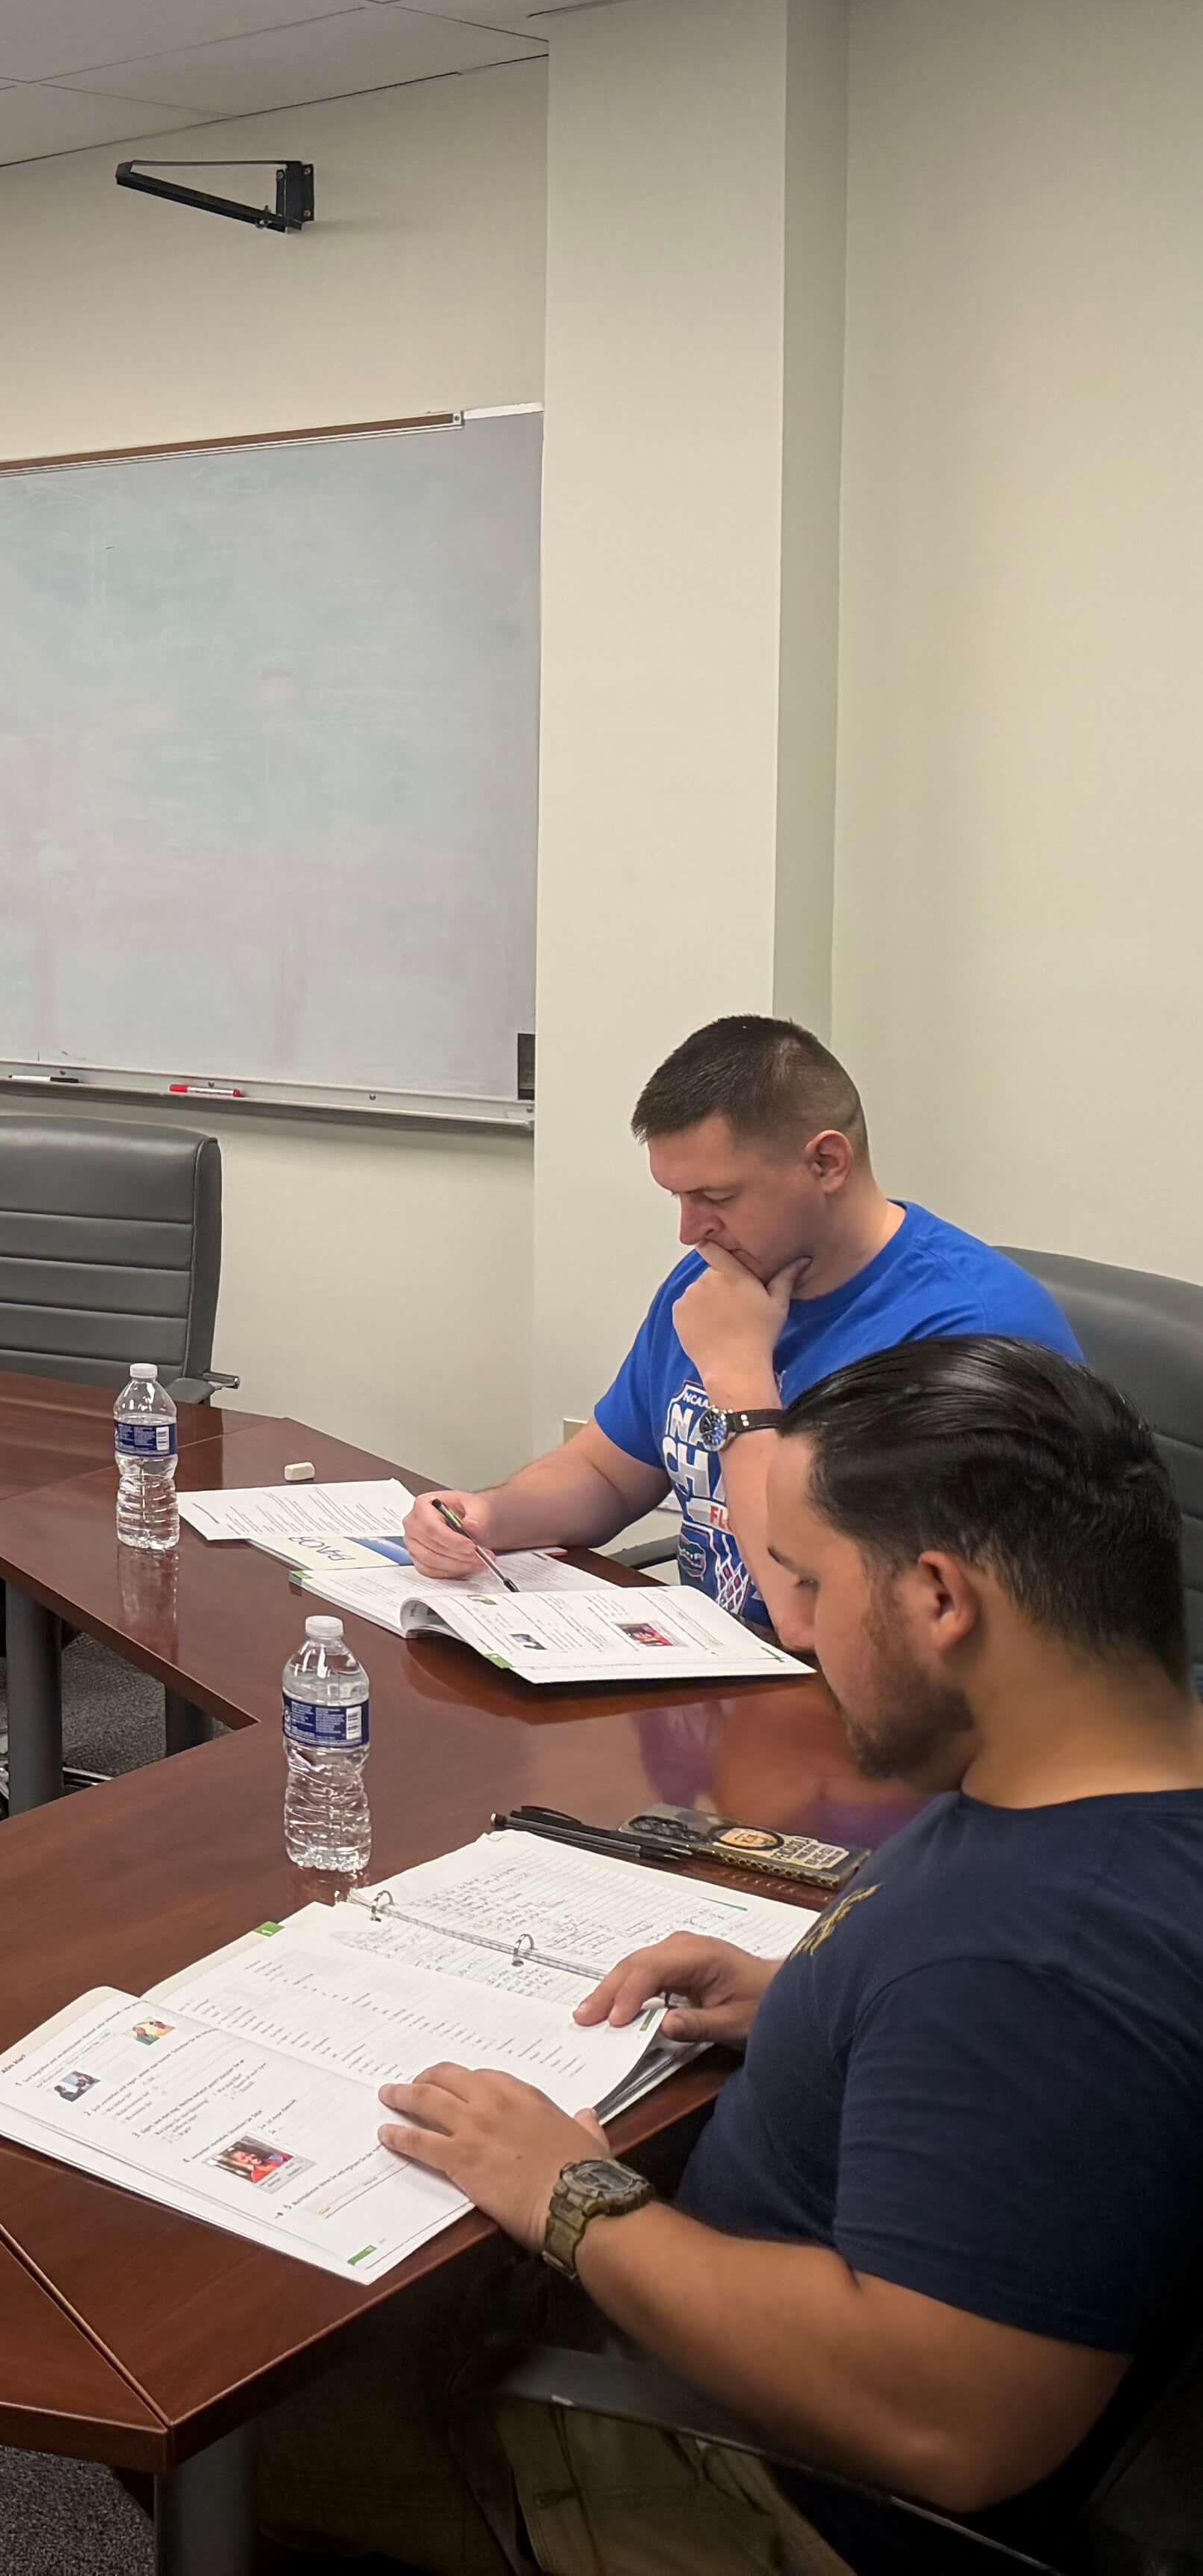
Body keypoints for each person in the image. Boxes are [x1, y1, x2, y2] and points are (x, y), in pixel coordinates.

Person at [266, 1337, 1203, 2575]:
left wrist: (576, 2197)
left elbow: (942, 2421)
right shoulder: (1095, 1779)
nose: (789, 1620)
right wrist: (814, 1998)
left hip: (762, 2487)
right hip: (744, 2315)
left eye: (811, 1580)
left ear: (937, 1597)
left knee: (228, 2413)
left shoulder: (1035, 1963)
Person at [404, 1016, 1070, 1633]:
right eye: (679, 1198)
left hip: (871, 1725)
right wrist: (493, 1516)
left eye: (716, 1198)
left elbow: (812, 1618)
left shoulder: (969, 1334)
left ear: (827, 1163)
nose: (691, 1232)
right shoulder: (722, 1281)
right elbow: (608, 1472)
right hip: (715, 1684)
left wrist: (741, 1378)